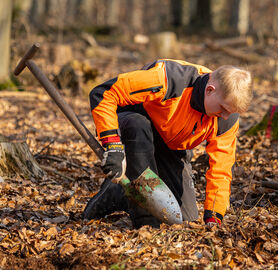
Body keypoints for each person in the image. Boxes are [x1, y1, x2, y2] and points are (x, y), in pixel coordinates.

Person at [82, 59, 252, 228]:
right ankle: (146, 220)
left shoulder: (227, 119)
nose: (225, 116)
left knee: (184, 219)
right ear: (210, 90)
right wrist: (113, 145)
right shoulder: (169, 79)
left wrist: (214, 217)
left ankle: (120, 194)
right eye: (223, 109)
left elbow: (221, 170)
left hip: (172, 146)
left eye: (230, 112)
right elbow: (104, 93)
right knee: (139, 126)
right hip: (135, 126)